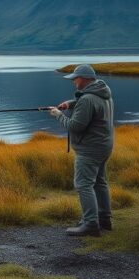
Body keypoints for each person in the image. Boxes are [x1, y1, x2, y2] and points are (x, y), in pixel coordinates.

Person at [46, 64, 114, 237]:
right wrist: (70, 104)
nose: (73, 82)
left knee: (83, 184)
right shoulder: (103, 91)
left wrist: (58, 115)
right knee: (100, 182)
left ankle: (91, 224)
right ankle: (104, 219)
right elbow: (91, 103)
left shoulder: (87, 99)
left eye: (75, 78)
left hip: (89, 149)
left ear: (83, 79)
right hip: (104, 145)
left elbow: (75, 126)